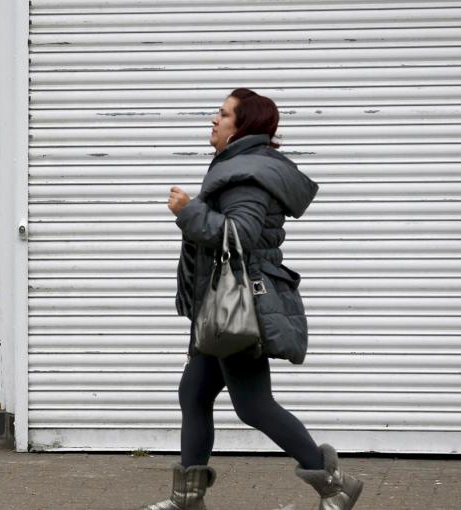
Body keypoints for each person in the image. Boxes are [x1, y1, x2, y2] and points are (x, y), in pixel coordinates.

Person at [142, 89, 363, 510]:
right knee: (195, 392)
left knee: (254, 404)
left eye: (223, 114)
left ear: (243, 126)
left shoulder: (246, 174)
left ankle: (336, 483)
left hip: (236, 306)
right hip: (220, 303)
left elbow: (238, 236)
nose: (214, 119)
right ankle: (188, 498)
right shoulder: (240, 167)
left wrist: (188, 211)